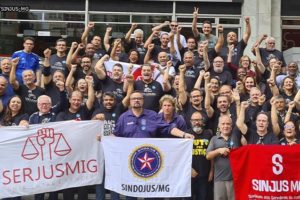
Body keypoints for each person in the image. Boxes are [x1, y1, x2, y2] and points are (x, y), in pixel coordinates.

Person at [113, 91, 194, 139]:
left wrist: (184, 134)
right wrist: (104, 138)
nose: (136, 100)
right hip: (129, 155)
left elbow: (168, 128)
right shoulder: (123, 117)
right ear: (130, 101)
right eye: (134, 99)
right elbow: (116, 135)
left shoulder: (153, 115)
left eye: (139, 98)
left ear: (143, 100)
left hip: (149, 155)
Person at [206, 115, 240, 200]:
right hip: (219, 179)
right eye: (223, 124)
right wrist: (218, 151)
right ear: (219, 126)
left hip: (234, 179)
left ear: (231, 126)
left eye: (228, 124)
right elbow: (208, 156)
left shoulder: (236, 137)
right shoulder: (214, 139)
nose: (225, 126)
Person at [188, 111, 213, 200]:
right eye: (194, 120)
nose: (196, 122)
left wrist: (211, 171)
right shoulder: (187, 134)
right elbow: (181, 156)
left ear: (202, 121)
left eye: (198, 120)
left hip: (204, 175)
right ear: (191, 121)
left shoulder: (209, 134)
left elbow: (212, 154)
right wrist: (189, 169)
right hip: (189, 175)